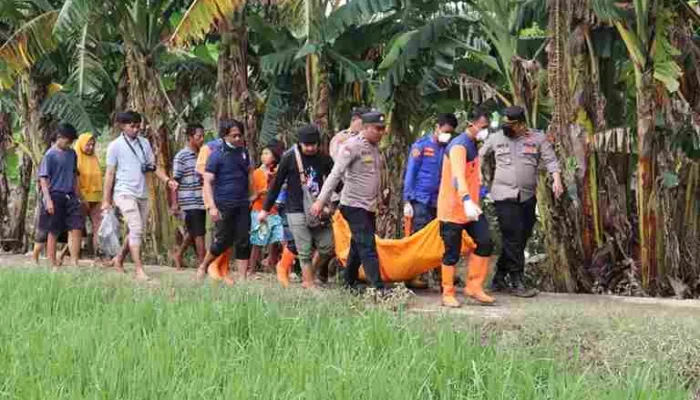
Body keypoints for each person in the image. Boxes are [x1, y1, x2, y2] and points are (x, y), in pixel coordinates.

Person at [480, 105, 563, 297]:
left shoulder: (537, 138)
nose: (508, 128)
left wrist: (556, 179)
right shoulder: (496, 138)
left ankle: (499, 277)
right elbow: (480, 155)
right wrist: (479, 176)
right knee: (513, 236)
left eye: (512, 124)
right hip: (503, 195)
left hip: (526, 196)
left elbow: (550, 160)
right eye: (506, 123)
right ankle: (517, 281)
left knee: (520, 237)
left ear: (521, 124)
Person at [312, 111, 387, 292]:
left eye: (383, 129)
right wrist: (321, 201)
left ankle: (348, 283)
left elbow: (375, 177)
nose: (381, 132)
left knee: (357, 245)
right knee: (368, 244)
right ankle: (378, 289)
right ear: (366, 127)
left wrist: (381, 201)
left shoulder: (375, 148)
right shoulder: (351, 146)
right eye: (378, 128)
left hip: (368, 206)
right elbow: (335, 174)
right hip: (353, 204)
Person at [102, 111, 178, 280]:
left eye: (138, 126)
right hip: (124, 192)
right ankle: (139, 269)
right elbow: (109, 174)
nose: (136, 129)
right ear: (122, 126)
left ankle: (119, 259)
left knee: (135, 230)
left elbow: (152, 166)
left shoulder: (144, 143)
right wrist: (106, 200)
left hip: (142, 192)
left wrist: (167, 180)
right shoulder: (115, 146)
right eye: (132, 126)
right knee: (136, 228)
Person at [259, 125, 335, 289]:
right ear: (299, 143)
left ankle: (310, 275)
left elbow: (336, 181)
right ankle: (308, 283)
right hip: (295, 208)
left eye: (313, 144)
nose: (309, 148)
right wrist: (265, 210)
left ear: (318, 144)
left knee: (327, 246)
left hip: (318, 207)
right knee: (304, 248)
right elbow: (276, 184)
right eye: (306, 144)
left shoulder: (324, 158)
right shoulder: (290, 157)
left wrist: (340, 203)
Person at [437, 107, 494, 307]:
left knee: (485, 242)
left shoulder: (473, 144)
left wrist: (483, 194)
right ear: (471, 124)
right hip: (453, 208)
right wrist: (467, 199)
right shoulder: (459, 146)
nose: (486, 130)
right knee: (451, 252)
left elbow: (472, 177)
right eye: (484, 127)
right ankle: (448, 292)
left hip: (471, 208)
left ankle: (474, 287)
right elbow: (458, 177)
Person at [402, 113, 458, 288]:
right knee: (419, 238)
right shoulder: (421, 146)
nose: (447, 135)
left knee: (440, 239)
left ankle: (440, 276)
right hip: (420, 200)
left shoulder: (449, 147)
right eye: (445, 131)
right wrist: (407, 201)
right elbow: (410, 173)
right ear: (437, 127)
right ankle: (413, 276)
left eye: (451, 133)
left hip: (440, 202)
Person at [196, 119, 253, 285]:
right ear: (225, 136)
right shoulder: (216, 155)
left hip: (242, 203)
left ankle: (243, 280)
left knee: (243, 239)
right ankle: (204, 266)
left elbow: (248, 175)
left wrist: (252, 195)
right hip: (223, 203)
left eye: (240, 135)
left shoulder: (244, 153)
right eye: (234, 135)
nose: (237, 138)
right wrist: (212, 207)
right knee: (223, 240)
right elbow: (207, 182)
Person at [37, 123, 83, 269]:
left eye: (71, 141)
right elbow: (43, 179)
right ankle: (52, 264)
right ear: (59, 137)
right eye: (68, 140)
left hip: (71, 195)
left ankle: (74, 262)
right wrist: (48, 200)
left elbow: (74, 175)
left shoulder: (72, 154)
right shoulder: (50, 155)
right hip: (55, 195)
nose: (70, 143)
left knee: (76, 228)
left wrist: (78, 196)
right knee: (54, 230)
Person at [170, 124, 206, 274]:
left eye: (203, 136)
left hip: (201, 198)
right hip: (188, 199)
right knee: (199, 233)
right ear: (190, 137)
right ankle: (203, 263)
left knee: (193, 230)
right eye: (199, 136)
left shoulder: (202, 154)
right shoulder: (182, 156)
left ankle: (178, 254)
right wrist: (174, 203)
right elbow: (174, 181)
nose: (202, 139)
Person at [249, 144, 284, 273]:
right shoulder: (256, 173)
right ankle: (251, 270)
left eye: (267, 153)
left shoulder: (279, 172)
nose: (264, 156)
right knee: (258, 241)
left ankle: (272, 268)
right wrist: (260, 193)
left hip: (275, 211)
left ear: (274, 157)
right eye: (262, 153)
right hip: (259, 210)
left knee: (276, 241)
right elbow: (251, 196)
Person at [74, 132, 103, 262]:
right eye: (88, 145)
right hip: (81, 197)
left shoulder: (94, 158)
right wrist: (81, 198)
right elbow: (75, 180)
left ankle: (98, 254)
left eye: (93, 145)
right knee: (78, 226)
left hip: (96, 196)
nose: (91, 148)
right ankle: (73, 254)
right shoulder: (74, 157)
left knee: (99, 225)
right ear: (81, 144)